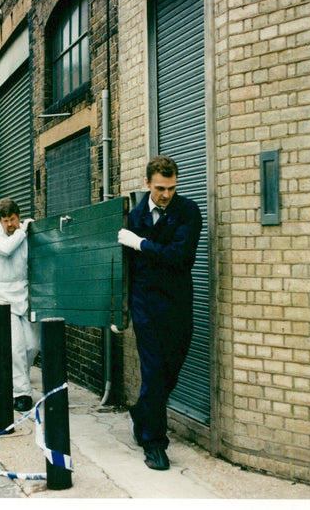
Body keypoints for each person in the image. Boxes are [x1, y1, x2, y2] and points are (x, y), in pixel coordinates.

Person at [117, 155, 202, 471]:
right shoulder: (135, 216)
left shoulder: (188, 211)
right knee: (153, 371)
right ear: (147, 183)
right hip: (145, 304)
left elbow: (181, 256)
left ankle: (142, 412)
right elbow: (126, 268)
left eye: (171, 188)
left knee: (171, 370)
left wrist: (140, 244)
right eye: (160, 188)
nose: (166, 194)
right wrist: (120, 310)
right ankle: (154, 444)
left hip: (177, 304)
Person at [0, 198, 40, 412]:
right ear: (0, 221)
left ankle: (20, 377)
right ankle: (22, 393)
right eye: (5, 221)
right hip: (2, 296)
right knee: (15, 347)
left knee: (32, 345)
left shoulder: (25, 232)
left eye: (13, 219)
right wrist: (22, 230)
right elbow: (6, 249)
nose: (10, 224)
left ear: (19, 216)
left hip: (24, 293)